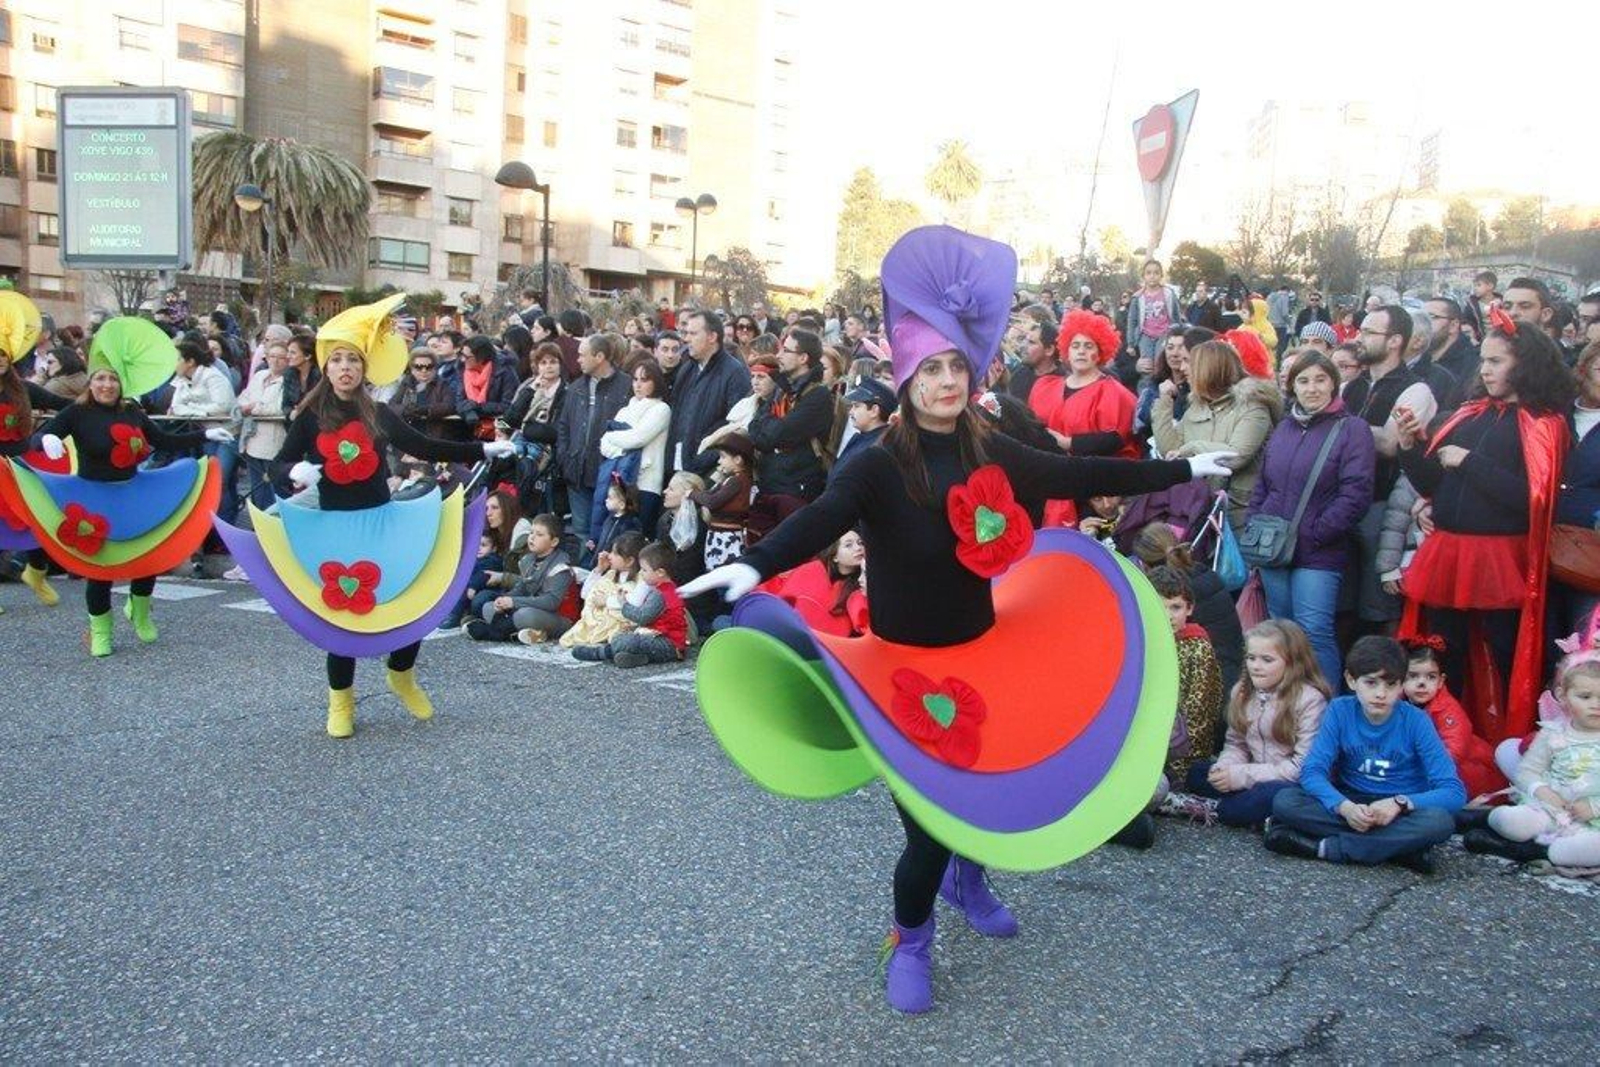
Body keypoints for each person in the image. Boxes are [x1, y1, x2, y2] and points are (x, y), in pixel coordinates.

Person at [681, 226, 1236, 1014]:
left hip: (988, 652)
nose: (946, 381)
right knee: (926, 830)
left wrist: (1182, 465)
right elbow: (826, 512)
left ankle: (971, 877)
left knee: (990, 794)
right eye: (930, 367)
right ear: (906, 376)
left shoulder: (987, 444)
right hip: (906, 671)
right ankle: (909, 937)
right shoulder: (874, 460)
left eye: (956, 366)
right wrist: (757, 560)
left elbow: (1077, 470)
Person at [215, 294, 512, 736]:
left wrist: (481, 447)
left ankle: (401, 674)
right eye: (337, 360)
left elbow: (424, 447)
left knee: (412, 601)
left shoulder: (377, 413)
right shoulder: (310, 417)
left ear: (363, 368)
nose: (345, 368)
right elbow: (278, 465)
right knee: (343, 616)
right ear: (327, 368)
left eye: (352, 359)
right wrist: (291, 472)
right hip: (333, 528)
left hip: (381, 521)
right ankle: (341, 702)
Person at [1394, 311, 1572, 743]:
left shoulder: (1544, 424)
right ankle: (1437, 737)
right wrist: (1409, 447)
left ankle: (1510, 741)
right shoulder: (1468, 415)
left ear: (1524, 365)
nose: (1486, 369)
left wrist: (1470, 463)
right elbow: (1434, 483)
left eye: (1497, 361)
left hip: (1499, 558)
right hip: (1449, 552)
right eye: (1485, 361)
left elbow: (1533, 500)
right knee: (1440, 651)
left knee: (1505, 653)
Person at [8, 319, 232, 655]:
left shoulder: (132, 412)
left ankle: (139, 612)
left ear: (121, 384)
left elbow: (162, 439)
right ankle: (101, 630)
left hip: (132, 493)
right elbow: (40, 436)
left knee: (149, 557)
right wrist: (49, 438)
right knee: (100, 568)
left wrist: (204, 435)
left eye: (112, 379)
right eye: (100, 378)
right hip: (92, 496)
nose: (106, 385)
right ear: (91, 381)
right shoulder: (77, 411)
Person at [1265, 636, 1465, 872]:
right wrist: (1344, 807)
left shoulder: (1417, 721)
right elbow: (1312, 771)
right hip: (1352, 799)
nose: (1381, 694)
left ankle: (1328, 848)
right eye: (1371, 683)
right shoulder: (1340, 710)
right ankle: (1397, 847)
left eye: (1391, 684)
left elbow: (1454, 792)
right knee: (1285, 801)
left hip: (1398, 808)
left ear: (1401, 686)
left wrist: (1399, 804)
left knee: (1439, 823)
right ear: (1351, 680)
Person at [1245, 350, 1375, 686]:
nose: (1312, 388)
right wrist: (1256, 521)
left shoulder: (1352, 429)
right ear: (1292, 387)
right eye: (1303, 381)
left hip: (1319, 550)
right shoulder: (1284, 428)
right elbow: (1264, 484)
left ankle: (1323, 710)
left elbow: (1356, 493)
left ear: (1334, 383)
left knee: (1314, 633)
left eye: (1320, 379)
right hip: (1275, 546)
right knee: (1281, 633)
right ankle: (1287, 709)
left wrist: (1318, 532)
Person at [1178, 620, 1328, 827]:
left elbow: (1301, 767)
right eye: (1251, 658)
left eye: (1267, 660)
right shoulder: (1242, 691)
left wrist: (1240, 776)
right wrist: (1225, 767)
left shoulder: (1310, 700)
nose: (1256, 667)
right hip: (1253, 774)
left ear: (1293, 662)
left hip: (1287, 783)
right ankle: (1247, 813)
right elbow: (1236, 743)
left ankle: (1214, 809)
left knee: (1268, 797)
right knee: (1198, 773)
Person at [1464, 656, 1600, 866]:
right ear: (1563, 696)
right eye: (1585, 697)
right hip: (1551, 809)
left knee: (1591, 848)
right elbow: (1527, 772)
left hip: (1593, 823)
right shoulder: (1553, 733)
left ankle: (1532, 851)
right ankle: (1486, 820)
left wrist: (1594, 807)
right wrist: (1544, 792)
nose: (1595, 705)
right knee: (1513, 822)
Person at [1152, 338, 1282, 529]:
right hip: (1200, 513)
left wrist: (1191, 448)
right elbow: (1170, 450)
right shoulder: (1197, 407)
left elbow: (1236, 456)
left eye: (1190, 363)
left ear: (1209, 369)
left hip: (1240, 517)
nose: (1182, 368)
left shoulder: (1252, 406)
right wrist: (1165, 401)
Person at [0, 290, 71, 611]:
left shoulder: (23, 389)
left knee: (33, 521)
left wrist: (96, 400)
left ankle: (37, 573)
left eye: (3, 355)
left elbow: (61, 404)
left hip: (20, 465)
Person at [1128, 522, 1244, 702]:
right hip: (1235, 681)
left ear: (1143, 564)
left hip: (1205, 695)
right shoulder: (1208, 576)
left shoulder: (1164, 595)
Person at [747, 327, 833, 539]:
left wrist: (770, 427)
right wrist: (771, 426)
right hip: (768, 485)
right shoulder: (782, 388)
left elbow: (774, 436)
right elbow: (754, 428)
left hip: (795, 491)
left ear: (803, 358)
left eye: (786, 351)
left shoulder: (818, 396)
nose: (778, 356)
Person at [1148, 565, 1224, 795]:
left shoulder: (1197, 648)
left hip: (1182, 753)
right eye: (1160, 607)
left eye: (1176, 607)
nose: (1168, 616)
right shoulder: (1143, 642)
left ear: (1190, 608)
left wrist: (1176, 769)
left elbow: (1198, 720)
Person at [1399, 637, 1503, 802]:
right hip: (1420, 766)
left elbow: (1455, 747)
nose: (1421, 683)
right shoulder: (1397, 705)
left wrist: (1426, 767)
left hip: (1460, 766)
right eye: (1413, 676)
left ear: (1441, 681)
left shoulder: (1447, 709)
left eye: (1430, 677)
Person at [555, 332, 632, 545]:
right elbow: (563, 425)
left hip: (608, 472)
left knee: (608, 533)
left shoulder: (626, 386)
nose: (577, 359)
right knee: (580, 532)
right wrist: (565, 456)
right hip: (576, 470)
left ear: (599, 357)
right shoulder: (576, 387)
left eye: (582, 355)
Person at [571, 541, 690, 667]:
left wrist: (623, 604)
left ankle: (601, 653)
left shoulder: (661, 594)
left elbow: (642, 616)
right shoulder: (660, 588)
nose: (642, 574)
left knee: (627, 641)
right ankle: (637, 658)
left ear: (660, 572)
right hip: (658, 638)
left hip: (669, 645)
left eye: (644, 570)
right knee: (622, 636)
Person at [665, 311, 753, 480]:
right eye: (686, 333)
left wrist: (705, 461)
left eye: (693, 333)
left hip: (709, 473)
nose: (686, 339)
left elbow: (737, 428)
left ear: (712, 337)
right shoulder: (687, 369)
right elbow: (677, 417)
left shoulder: (734, 373)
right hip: (677, 467)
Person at [466, 512, 577, 644]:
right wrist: (504, 600)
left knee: (524, 615)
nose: (532, 538)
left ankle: (499, 632)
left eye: (539, 535)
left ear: (554, 541)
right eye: (531, 533)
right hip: (531, 608)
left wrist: (514, 602)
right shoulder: (528, 560)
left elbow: (551, 602)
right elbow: (522, 588)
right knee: (489, 607)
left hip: (560, 618)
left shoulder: (561, 567)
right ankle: (524, 633)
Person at [599, 356, 671, 531]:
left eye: (644, 380)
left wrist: (612, 438)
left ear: (655, 382)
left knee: (637, 537)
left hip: (646, 484)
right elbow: (603, 444)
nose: (638, 384)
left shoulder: (661, 409)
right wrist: (621, 448)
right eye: (635, 379)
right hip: (620, 481)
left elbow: (638, 438)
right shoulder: (625, 410)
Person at [560, 530, 644, 650]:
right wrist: (599, 569)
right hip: (597, 620)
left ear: (630, 560)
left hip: (619, 621)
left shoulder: (641, 578)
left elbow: (635, 603)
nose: (609, 556)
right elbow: (586, 594)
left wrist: (607, 601)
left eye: (615, 554)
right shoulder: (611, 574)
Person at [236, 339, 290, 512]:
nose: (275, 360)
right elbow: (244, 397)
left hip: (274, 442)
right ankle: (259, 525)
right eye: (272, 356)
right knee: (257, 489)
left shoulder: (289, 381)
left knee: (277, 489)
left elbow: (280, 408)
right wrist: (248, 406)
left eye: (281, 357)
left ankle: (278, 524)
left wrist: (254, 407)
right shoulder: (259, 376)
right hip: (252, 441)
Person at [691, 433, 754, 570]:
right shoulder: (731, 479)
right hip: (719, 537)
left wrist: (691, 494)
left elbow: (712, 501)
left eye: (723, 457)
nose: (719, 461)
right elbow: (710, 494)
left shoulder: (737, 480)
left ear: (738, 459)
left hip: (727, 540)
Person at [453, 336, 519, 439]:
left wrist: (478, 407)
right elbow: (459, 401)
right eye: (461, 355)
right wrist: (469, 411)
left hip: (501, 427)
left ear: (481, 357)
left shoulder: (505, 371)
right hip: (472, 427)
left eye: (467, 357)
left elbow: (508, 406)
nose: (462, 359)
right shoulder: (463, 370)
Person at [388, 345, 457, 440]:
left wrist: (426, 410)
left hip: (432, 435)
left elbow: (450, 406)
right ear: (412, 369)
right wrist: (405, 410)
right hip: (407, 435)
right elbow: (392, 405)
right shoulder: (406, 383)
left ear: (434, 368)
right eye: (418, 367)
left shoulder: (442, 384)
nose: (424, 371)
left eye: (429, 367)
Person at [832, 377, 894, 481]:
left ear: (874, 411)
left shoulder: (878, 446)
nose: (851, 412)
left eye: (856, 406)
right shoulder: (864, 437)